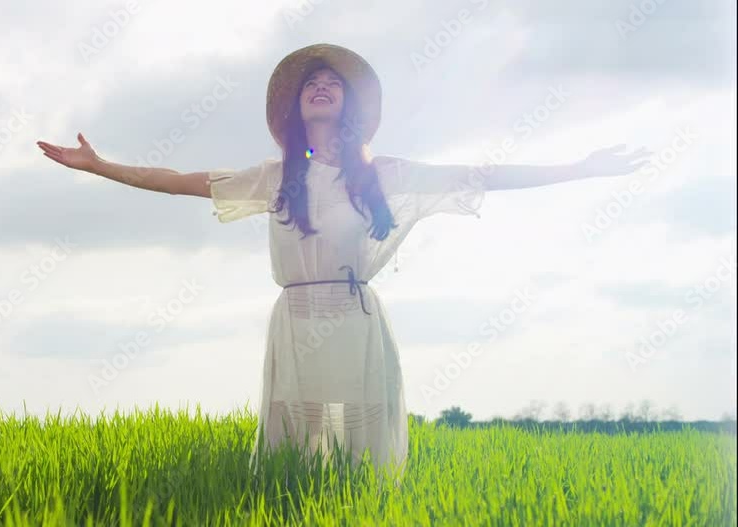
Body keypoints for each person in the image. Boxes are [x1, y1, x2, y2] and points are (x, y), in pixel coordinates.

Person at [36, 43, 650, 479]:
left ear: (349, 106)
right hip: (297, 317)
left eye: (331, 83)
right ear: (295, 107)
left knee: (360, 429)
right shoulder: (274, 178)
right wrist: (101, 165)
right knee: (296, 436)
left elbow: (483, 173)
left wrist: (577, 168)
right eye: (310, 84)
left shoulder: (385, 174)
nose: (321, 87)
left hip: (355, 317)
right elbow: (177, 181)